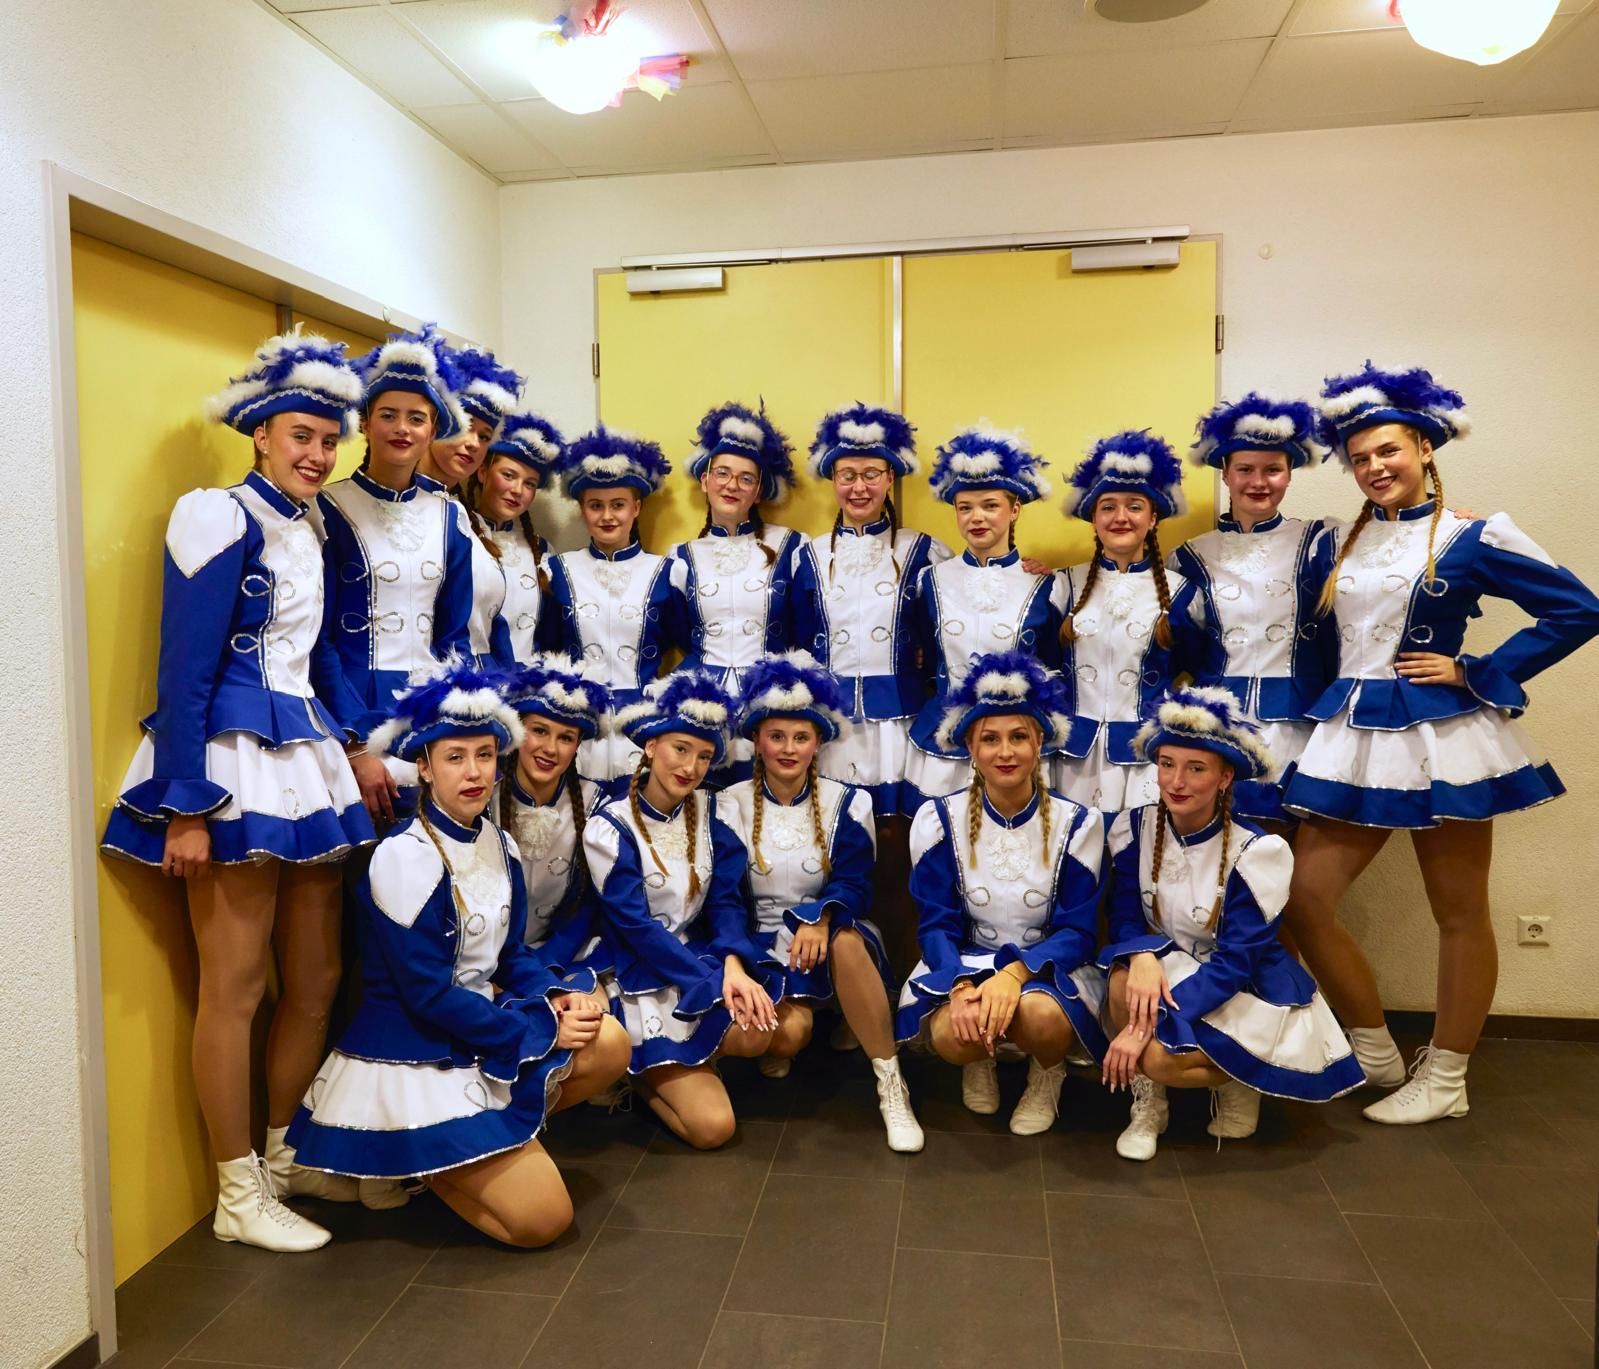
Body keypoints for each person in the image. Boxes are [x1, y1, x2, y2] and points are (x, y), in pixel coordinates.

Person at [101, 331, 375, 1252]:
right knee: (236, 985)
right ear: (260, 433)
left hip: (307, 759)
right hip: (230, 763)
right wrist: (185, 803)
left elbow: (316, 655)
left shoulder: (316, 524)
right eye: (301, 436)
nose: (317, 454)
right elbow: (183, 667)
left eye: (329, 440)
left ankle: (285, 1154)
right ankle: (235, 1192)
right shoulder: (214, 514)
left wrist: (356, 740)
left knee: (317, 978)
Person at [1282, 363, 1599, 1123]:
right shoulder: (1336, 541)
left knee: (1458, 910)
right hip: (1350, 734)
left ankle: (1448, 1074)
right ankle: (1373, 1046)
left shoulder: (1474, 533)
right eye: (1360, 457)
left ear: (1425, 448)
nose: (1374, 467)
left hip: (1442, 736)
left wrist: (1475, 670)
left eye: (1388, 450)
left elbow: (1578, 609)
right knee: (1303, 898)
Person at [285, 661, 631, 1246]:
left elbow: (511, 957)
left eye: (485, 755)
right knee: (542, 1222)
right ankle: (417, 1155)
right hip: (418, 1048)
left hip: (475, 1026)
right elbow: (427, 995)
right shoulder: (404, 856)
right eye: (454, 757)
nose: (474, 772)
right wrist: (534, 1027)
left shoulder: (500, 843)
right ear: (423, 766)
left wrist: (555, 996)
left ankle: (480, 1145)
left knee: (608, 1040)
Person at [1100, 687, 1364, 1162]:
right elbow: (1123, 915)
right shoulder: (1133, 829)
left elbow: (1236, 963)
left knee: (1158, 1055)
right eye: (1166, 764)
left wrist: (1147, 1028)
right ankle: (1149, 1105)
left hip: (1241, 988)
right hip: (1170, 966)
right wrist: (1142, 955)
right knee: (1123, 981)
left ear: (1225, 778)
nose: (1176, 781)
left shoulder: (1257, 852)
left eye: (1196, 769)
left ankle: (1240, 1081)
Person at [896, 651, 1108, 1137]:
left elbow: (1078, 932)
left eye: (1019, 737)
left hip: (1045, 968)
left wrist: (1015, 974)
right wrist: (959, 984)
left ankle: (1047, 1071)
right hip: (967, 962)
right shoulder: (938, 820)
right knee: (951, 1035)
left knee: (1040, 1017)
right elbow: (936, 924)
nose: (1005, 752)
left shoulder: (1078, 824)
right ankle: (980, 1058)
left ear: (1040, 743)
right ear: (970, 747)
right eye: (990, 739)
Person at [719, 651, 924, 1152]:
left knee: (847, 943)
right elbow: (724, 894)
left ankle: (891, 1083)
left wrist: (821, 917)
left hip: (833, 932)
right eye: (776, 736)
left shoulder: (849, 801)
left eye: (801, 737)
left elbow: (855, 883)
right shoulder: (729, 803)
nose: (789, 748)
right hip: (760, 941)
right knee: (791, 1034)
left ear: (819, 742)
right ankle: (795, 1021)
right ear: (757, 740)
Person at [585, 671, 784, 1147]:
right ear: (651, 746)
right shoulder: (611, 826)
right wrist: (708, 983)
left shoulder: (715, 813)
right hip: (638, 966)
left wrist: (733, 965)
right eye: (680, 749)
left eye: (704, 756)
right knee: (713, 1130)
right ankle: (642, 1071)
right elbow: (635, 927)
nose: (691, 766)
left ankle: (690, 1057)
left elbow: (726, 903)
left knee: (758, 1033)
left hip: (697, 953)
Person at [317, 325, 474, 823]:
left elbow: (454, 636)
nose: (402, 428)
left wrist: (457, 731)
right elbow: (319, 641)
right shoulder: (328, 507)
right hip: (352, 711)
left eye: (416, 418)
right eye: (387, 415)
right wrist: (355, 743)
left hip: (430, 715)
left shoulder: (449, 515)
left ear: (433, 429)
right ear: (365, 423)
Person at [1170, 395, 1336, 826]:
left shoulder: (1320, 541)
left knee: (1285, 849)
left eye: (1272, 470)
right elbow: (1183, 648)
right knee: (1214, 847)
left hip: (1298, 726)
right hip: (1217, 728)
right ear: (1225, 474)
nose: (1258, 482)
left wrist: (1444, 517)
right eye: (1245, 469)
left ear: (1289, 474)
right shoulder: (1188, 557)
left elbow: (1389, 554)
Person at [904, 427, 1065, 809]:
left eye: (990, 505)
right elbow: (924, 658)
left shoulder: (1048, 585)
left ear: (1015, 509)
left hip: (1016, 750)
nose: (977, 517)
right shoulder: (930, 581)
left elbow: (1056, 668)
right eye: (965, 508)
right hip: (943, 746)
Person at [1054, 430, 1203, 815]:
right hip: (1070, 758)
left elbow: (1197, 668)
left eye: (1134, 506)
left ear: (1152, 518)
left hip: (1146, 760)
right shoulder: (1062, 586)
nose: (1120, 517)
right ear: (1093, 518)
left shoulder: (1182, 594)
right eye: (1108, 507)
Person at [667, 402, 800, 785]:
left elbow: (804, 625)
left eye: (745, 478)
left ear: (758, 491)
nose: (731, 485)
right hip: (703, 700)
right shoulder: (681, 556)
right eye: (722, 473)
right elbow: (679, 631)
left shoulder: (791, 546)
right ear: (705, 480)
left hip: (769, 702)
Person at [542, 426, 678, 796]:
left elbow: (688, 643)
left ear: (637, 507)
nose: (607, 516)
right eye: (595, 505)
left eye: (618, 504)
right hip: (576, 730)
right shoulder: (558, 571)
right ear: (581, 509)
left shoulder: (665, 571)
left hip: (643, 729)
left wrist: (662, 697)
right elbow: (547, 647)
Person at [495, 653, 610, 974]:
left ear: (578, 745)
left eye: (566, 738)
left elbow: (587, 907)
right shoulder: (483, 799)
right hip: (489, 962)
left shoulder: (595, 804)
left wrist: (545, 965)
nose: (550, 749)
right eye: (540, 731)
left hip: (559, 958)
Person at [415, 346, 525, 671]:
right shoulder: (403, 508)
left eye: (485, 436)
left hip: (485, 681)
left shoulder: (472, 521)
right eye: (465, 426)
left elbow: (493, 624)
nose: (474, 443)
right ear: (436, 424)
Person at [469, 408, 566, 664]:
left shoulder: (541, 550)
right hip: (473, 679)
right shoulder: (459, 534)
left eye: (530, 483)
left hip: (528, 681)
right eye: (508, 475)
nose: (517, 490)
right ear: (482, 472)